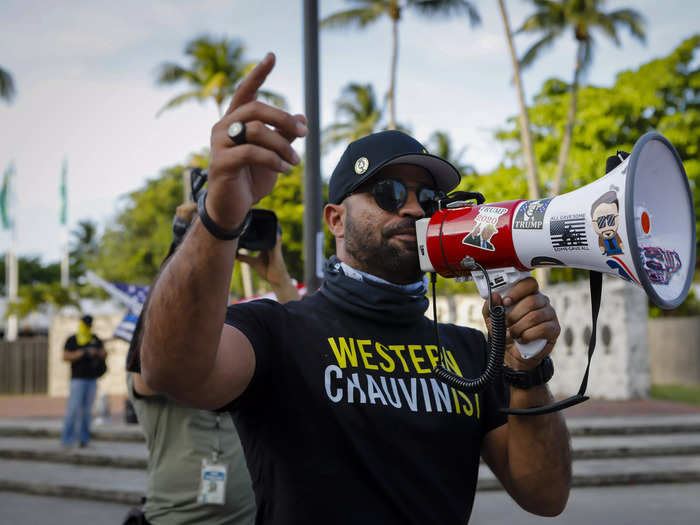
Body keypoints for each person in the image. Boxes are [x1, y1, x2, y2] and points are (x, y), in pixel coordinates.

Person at [140, 53, 571, 524]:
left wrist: (526, 373)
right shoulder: (277, 332)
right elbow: (170, 372)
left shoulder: (474, 353)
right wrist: (221, 212)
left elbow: (544, 496)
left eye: (428, 199)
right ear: (336, 219)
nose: (412, 210)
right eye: (388, 193)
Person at [125, 201, 300, 525]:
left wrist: (281, 281)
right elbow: (152, 354)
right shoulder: (156, 367)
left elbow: (307, 350)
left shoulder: (238, 365)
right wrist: (181, 245)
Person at [60, 314, 107, 448]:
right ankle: (67, 439)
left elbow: (105, 353)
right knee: (73, 409)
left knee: (87, 412)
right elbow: (65, 356)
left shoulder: (95, 339)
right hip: (77, 379)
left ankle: (84, 440)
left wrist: (95, 352)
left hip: (92, 379)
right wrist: (82, 353)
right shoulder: (73, 339)